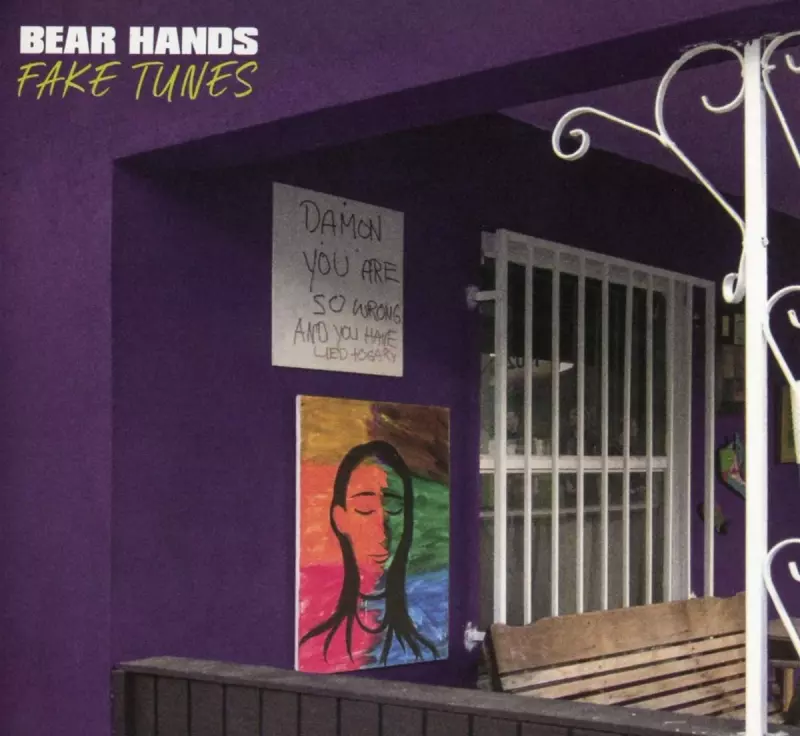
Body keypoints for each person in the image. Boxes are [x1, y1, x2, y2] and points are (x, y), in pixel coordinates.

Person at [299, 440, 438, 666]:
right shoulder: (316, 648)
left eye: (394, 507)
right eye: (365, 509)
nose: (382, 528)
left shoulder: (427, 647)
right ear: (340, 519)